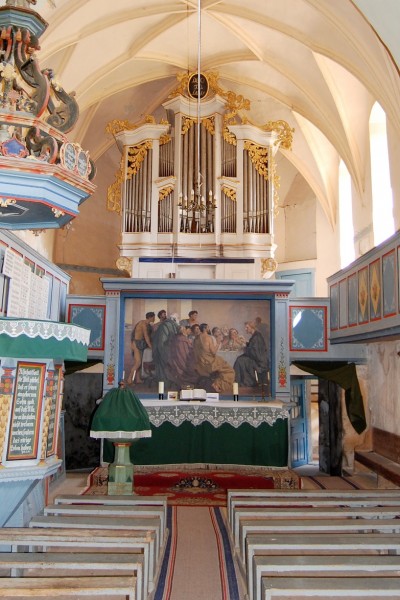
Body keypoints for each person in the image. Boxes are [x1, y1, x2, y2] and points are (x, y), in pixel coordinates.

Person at [193, 323, 235, 393]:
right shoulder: (208, 338)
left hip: (200, 363)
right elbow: (214, 352)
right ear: (204, 329)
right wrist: (218, 342)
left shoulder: (196, 339)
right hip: (210, 362)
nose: (209, 329)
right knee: (230, 371)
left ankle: (216, 383)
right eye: (208, 327)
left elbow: (195, 353)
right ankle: (217, 385)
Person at [233, 320, 269, 387]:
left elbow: (255, 353)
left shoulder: (256, 337)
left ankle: (244, 381)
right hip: (256, 358)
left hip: (259, 361)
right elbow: (252, 347)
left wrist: (244, 346)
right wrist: (244, 342)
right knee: (240, 359)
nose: (245, 329)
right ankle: (239, 381)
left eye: (247, 327)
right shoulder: (255, 335)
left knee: (240, 360)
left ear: (252, 327)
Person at [127, 311, 155, 384]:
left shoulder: (148, 325)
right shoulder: (143, 324)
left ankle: (138, 379)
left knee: (139, 362)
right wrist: (151, 347)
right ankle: (129, 379)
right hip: (136, 344)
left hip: (141, 344)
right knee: (138, 363)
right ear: (150, 317)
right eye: (153, 317)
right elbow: (146, 337)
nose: (154, 319)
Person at [152, 312, 180, 382]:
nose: (178, 320)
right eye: (177, 318)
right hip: (162, 350)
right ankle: (164, 383)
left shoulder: (171, 325)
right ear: (174, 319)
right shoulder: (166, 325)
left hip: (167, 350)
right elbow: (161, 342)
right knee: (163, 368)